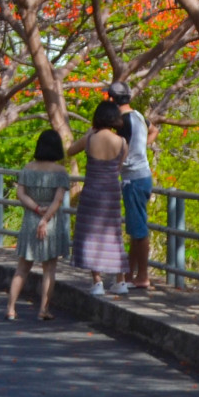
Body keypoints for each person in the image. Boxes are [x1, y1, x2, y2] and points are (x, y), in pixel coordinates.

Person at [7, 128, 74, 320]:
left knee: (22, 267)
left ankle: (11, 308)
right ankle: (43, 310)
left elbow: (20, 194)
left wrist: (36, 210)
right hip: (51, 222)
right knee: (49, 268)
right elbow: (58, 200)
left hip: (30, 219)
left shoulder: (28, 168)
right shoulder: (60, 171)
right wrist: (45, 219)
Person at [68, 100, 129, 295]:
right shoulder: (122, 142)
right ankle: (121, 281)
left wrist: (87, 133)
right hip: (111, 191)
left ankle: (97, 282)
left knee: (91, 233)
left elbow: (69, 150)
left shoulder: (90, 138)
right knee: (114, 234)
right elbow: (118, 167)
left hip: (92, 190)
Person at [110, 86, 154, 290]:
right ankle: (130, 273)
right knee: (136, 228)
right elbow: (154, 129)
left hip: (133, 178)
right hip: (142, 176)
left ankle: (142, 276)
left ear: (112, 100)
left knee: (139, 230)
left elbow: (120, 147)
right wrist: (142, 149)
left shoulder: (121, 120)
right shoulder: (137, 115)